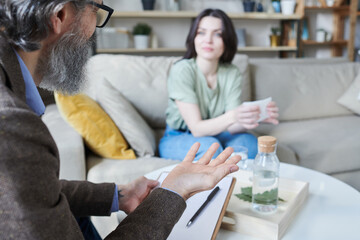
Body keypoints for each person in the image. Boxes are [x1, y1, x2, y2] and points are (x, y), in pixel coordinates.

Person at [0, 1, 240, 239]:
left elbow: (36, 194)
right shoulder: (14, 127)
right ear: (60, 15)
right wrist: (173, 191)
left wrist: (118, 194)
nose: (96, 29)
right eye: (96, 10)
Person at [159, 8, 279, 161]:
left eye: (217, 34)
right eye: (201, 32)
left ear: (227, 40)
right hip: (179, 135)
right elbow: (196, 129)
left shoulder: (232, 72)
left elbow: (232, 126)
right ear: (193, 37)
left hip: (219, 133)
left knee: (250, 144)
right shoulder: (181, 70)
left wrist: (254, 117)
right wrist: (233, 116)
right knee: (211, 147)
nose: (208, 40)